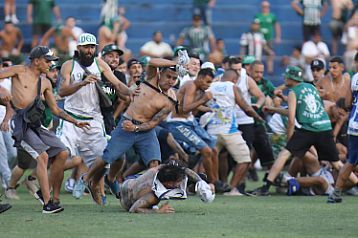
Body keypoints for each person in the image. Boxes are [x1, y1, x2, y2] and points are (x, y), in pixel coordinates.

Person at [0, 46, 90, 213]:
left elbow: (56, 110)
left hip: (35, 124)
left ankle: (43, 190)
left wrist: (75, 121)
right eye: (47, 61)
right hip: (19, 122)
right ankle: (48, 203)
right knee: (43, 156)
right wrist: (2, 90)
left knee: (62, 152)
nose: (50, 64)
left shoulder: (45, 82)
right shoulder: (19, 70)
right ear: (36, 61)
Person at [86, 57, 182, 205]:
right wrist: (175, 63)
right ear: (160, 74)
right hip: (127, 123)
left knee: (154, 164)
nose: (170, 81)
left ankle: (149, 200)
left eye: (174, 78)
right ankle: (87, 180)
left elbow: (154, 122)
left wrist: (136, 128)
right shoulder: (151, 79)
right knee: (108, 158)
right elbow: (152, 62)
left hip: (144, 130)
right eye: (168, 76)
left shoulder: (170, 100)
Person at [249, 66, 355, 196]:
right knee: (337, 164)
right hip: (324, 127)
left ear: (290, 78)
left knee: (284, 154)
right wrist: (274, 110)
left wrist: (290, 138)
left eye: (286, 77)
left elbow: (292, 118)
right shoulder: (311, 87)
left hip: (309, 128)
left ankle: (266, 187)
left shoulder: (293, 92)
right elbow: (298, 109)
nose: (284, 79)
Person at [58, 33, 132, 174]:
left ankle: (96, 185)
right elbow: (62, 92)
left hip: (97, 118)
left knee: (105, 157)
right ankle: (53, 189)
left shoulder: (104, 67)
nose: (89, 50)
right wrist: (82, 83)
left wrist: (131, 92)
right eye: (86, 47)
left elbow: (119, 88)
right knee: (62, 154)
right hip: (72, 117)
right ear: (78, 47)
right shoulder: (69, 65)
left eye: (92, 47)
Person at [206, 69, 264, 195]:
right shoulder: (233, 87)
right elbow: (246, 108)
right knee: (245, 159)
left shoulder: (210, 86)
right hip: (229, 131)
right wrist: (258, 117)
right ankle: (230, 188)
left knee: (210, 157)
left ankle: (214, 185)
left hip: (212, 130)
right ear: (234, 80)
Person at [120, 162, 214, 213]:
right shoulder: (153, 196)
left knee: (201, 177)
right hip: (128, 199)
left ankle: (199, 183)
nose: (180, 183)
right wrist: (158, 212)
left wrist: (200, 181)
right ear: (169, 183)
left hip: (130, 183)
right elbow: (134, 209)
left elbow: (184, 170)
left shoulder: (160, 169)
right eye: (178, 182)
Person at [328, 52, 358, 203]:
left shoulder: (355, 78)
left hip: (353, 126)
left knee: (351, 161)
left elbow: (347, 103)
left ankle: (336, 193)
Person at [254, 1, 281, 74]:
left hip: (269, 38)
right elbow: (255, 25)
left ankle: (270, 70)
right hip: (260, 38)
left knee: (270, 54)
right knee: (258, 53)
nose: (265, 8)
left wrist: (278, 36)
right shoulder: (258, 15)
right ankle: (257, 69)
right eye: (264, 7)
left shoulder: (272, 16)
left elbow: (276, 25)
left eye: (266, 7)